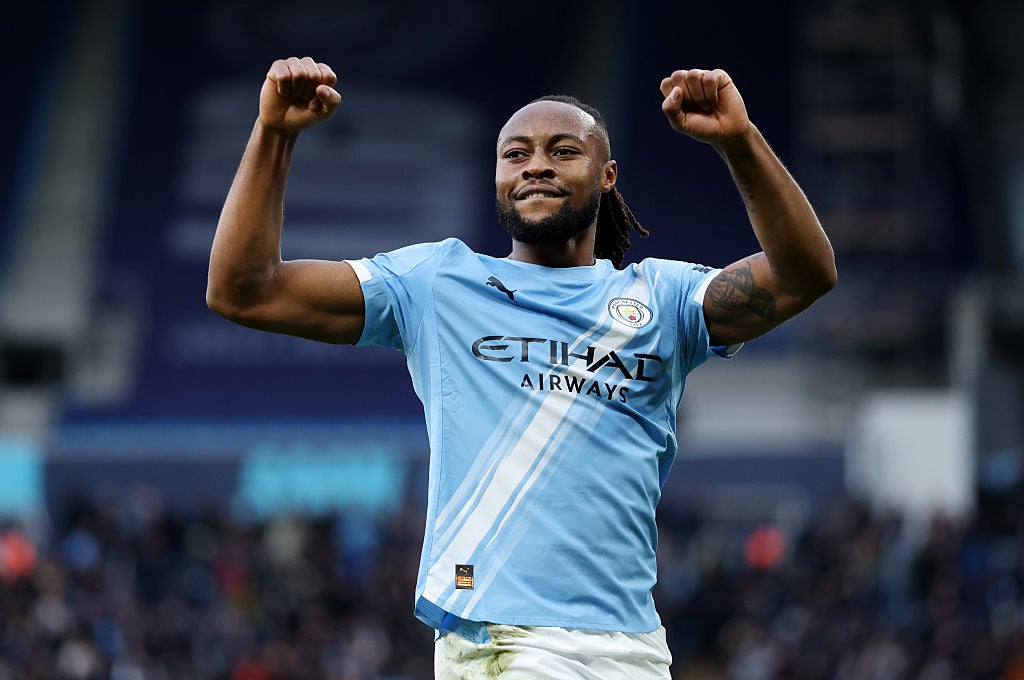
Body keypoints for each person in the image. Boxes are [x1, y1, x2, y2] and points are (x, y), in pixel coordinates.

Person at [207, 56, 836, 678]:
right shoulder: (438, 283)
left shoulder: (664, 301)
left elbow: (804, 275)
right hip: (505, 643)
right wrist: (275, 134)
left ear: (608, 175)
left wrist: (740, 143)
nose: (535, 165)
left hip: (634, 648)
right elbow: (244, 290)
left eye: (563, 151)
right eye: (515, 154)